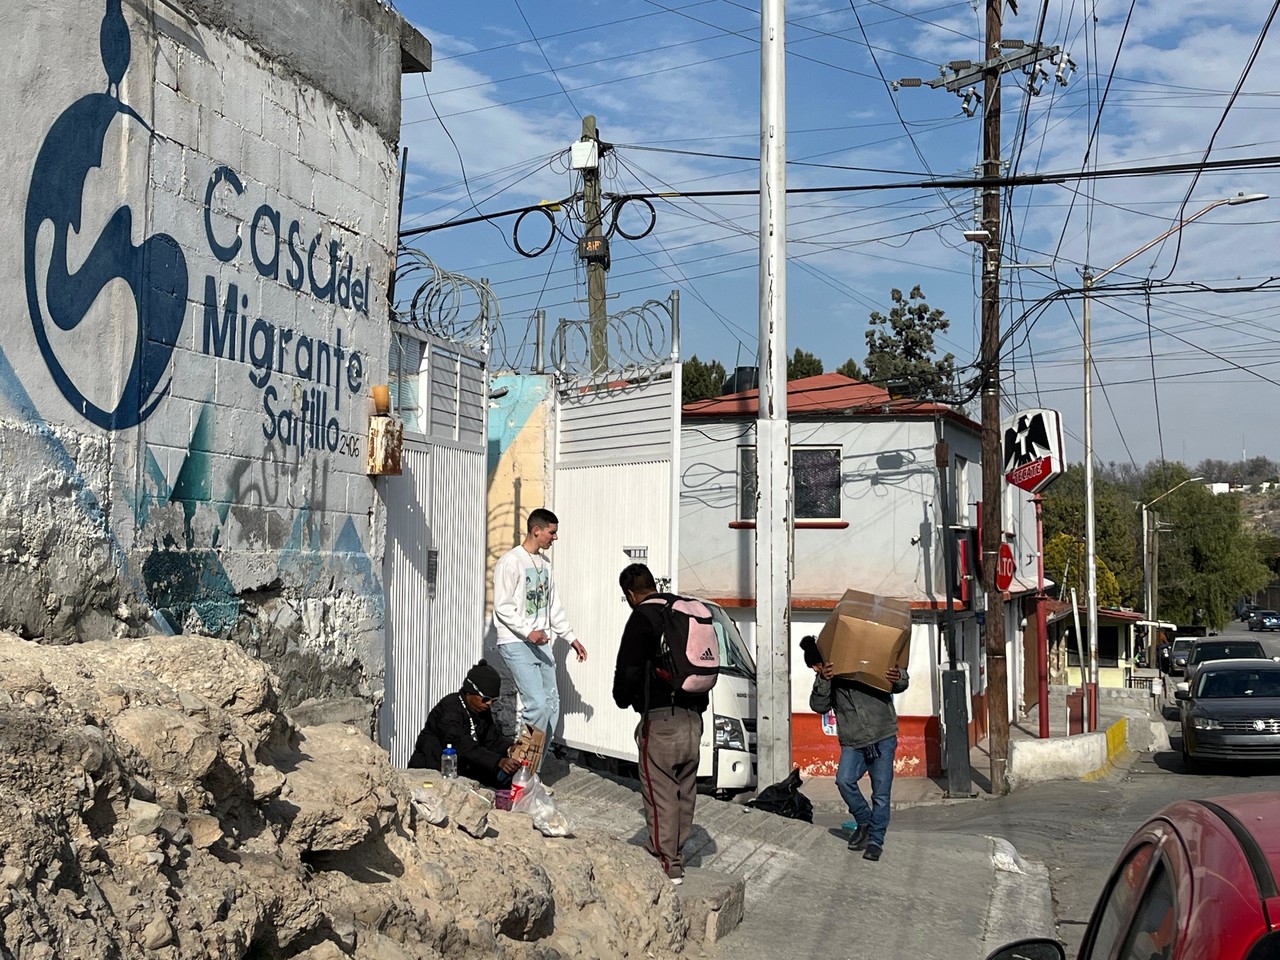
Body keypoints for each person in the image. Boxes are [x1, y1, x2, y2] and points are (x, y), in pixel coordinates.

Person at [612, 563, 708, 885]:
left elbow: (629, 670)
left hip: (660, 720)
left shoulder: (642, 617)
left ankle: (666, 863)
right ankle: (676, 854)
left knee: (660, 793)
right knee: (685, 790)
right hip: (693, 720)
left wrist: (622, 697)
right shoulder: (680, 611)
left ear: (630, 593)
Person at [803, 634, 909, 862]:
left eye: (816, 665)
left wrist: (898, 676)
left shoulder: (863, 662)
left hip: (882, 735)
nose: (814, 670)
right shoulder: (826, 679)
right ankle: (864, 821)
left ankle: (875, 841)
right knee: (844, 780)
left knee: (881, 793)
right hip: (853, 741)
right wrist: (823, 679)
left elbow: (900, 682)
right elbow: (818, 706)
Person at [492, 508, 587, 741]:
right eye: (551, 532)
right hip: (516, 641)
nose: (555, 537)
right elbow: (502, 606)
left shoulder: (545, 564)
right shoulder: (511, 562)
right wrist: (528, 632)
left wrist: (571, 638)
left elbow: (553, 606)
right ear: (536, 530)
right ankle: (523, 769)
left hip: (540, 642)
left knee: (552, 704)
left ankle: (534, 768)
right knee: (537, 706)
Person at [407, 660, 521, 789]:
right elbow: (462, 746)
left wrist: (510, 749)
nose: (489, 704)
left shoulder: (481, 710)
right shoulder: (450, 709)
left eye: (493, 700)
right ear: (469, 692)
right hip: (434, 770)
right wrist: (498, 762)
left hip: (463, 769)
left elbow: (491, 739)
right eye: (485, 699)